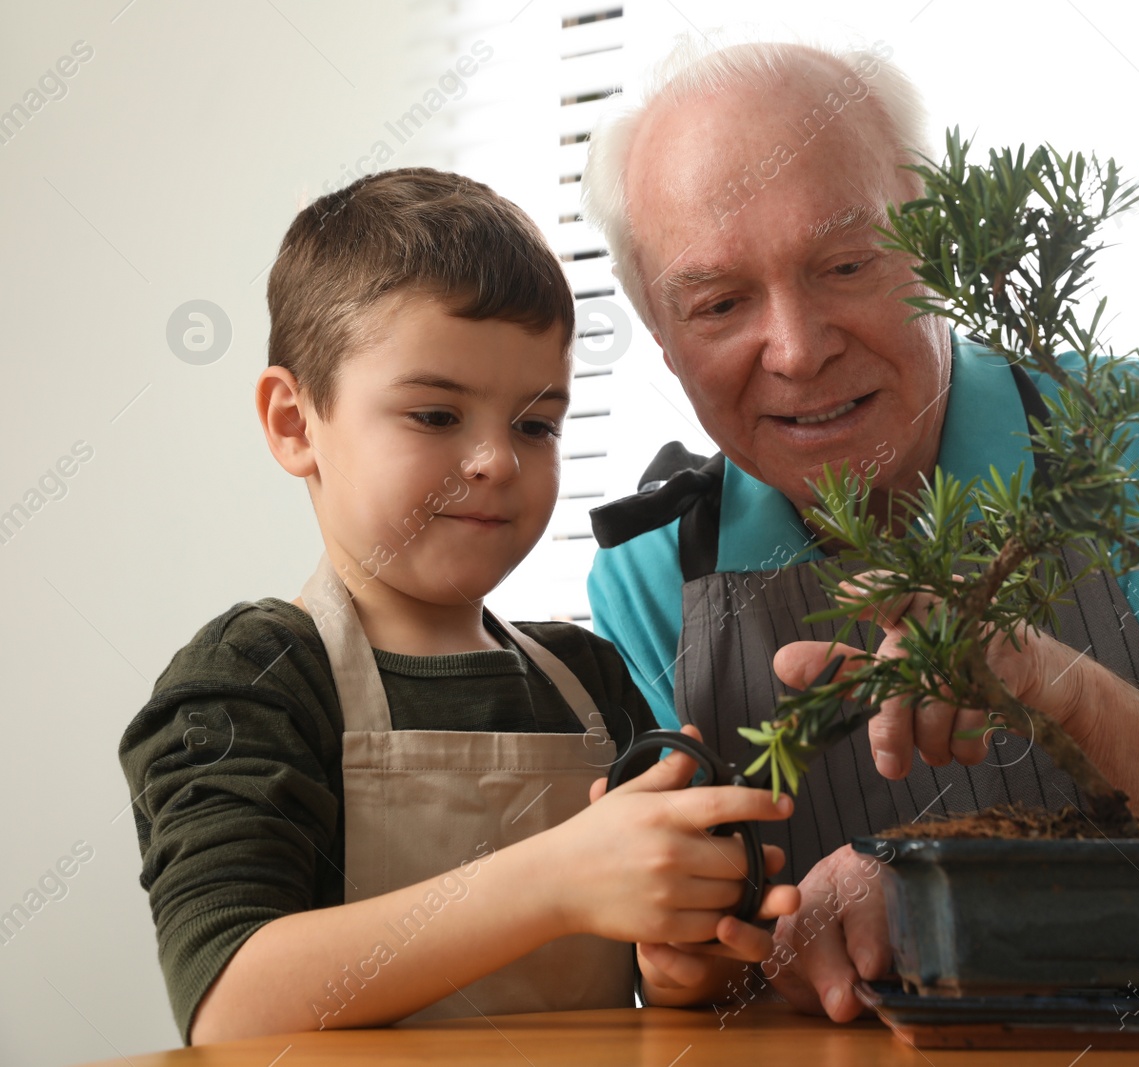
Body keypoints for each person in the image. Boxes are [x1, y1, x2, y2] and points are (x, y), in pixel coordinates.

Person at [580, 36, 1139, 1019]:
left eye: (847, 264)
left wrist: (1063, 706)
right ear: (660, 332)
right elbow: (715, 974)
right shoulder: (657, 575)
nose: (796, 346)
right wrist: (684, 961)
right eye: (720, 302)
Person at [117, 168, 799, 1045]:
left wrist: (688, 961)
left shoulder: (587, 681)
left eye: (535, 424)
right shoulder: (255, 678)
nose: (496, 462)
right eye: (437, 415)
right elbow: (231, 1003)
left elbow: (663, 986)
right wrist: (555, 879)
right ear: (295, 423)